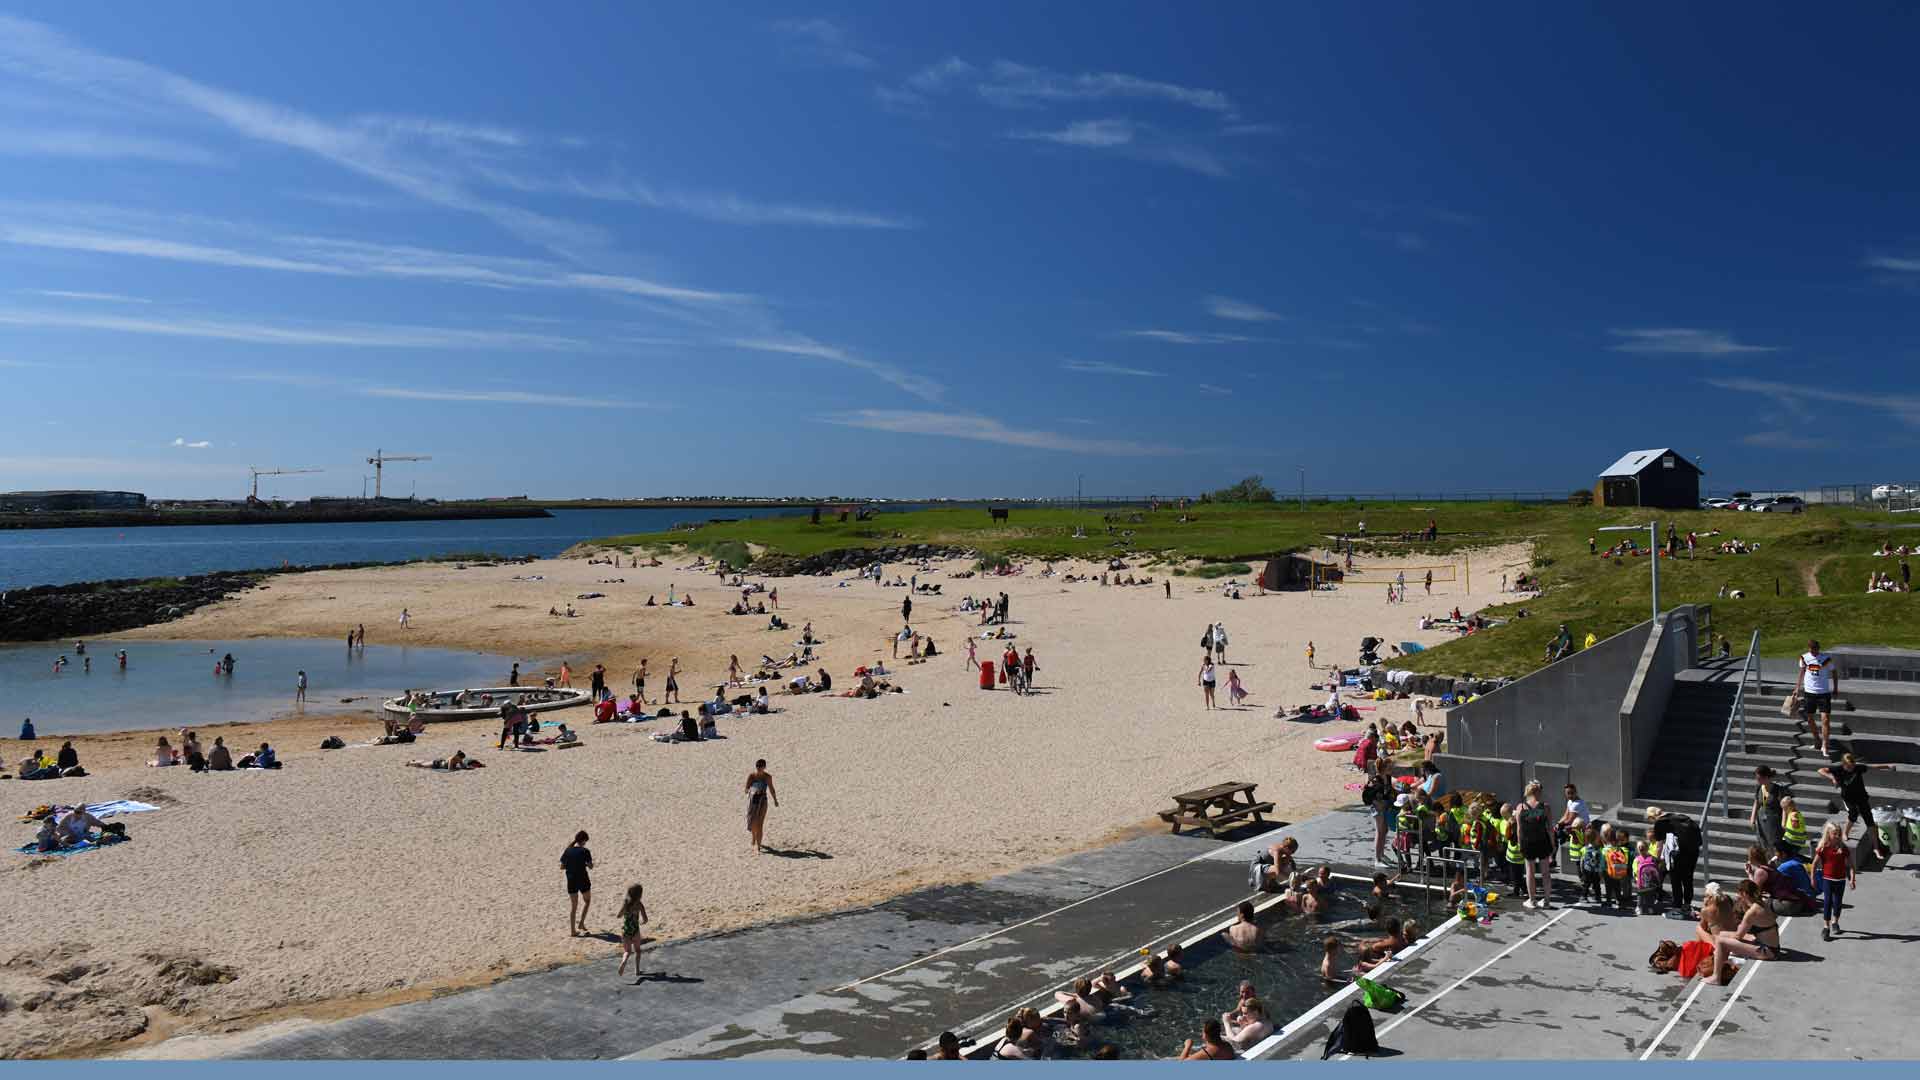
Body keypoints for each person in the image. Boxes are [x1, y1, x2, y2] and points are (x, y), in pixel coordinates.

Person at [1818, 753, 1896, 861]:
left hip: (1861, 797)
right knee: (1853, 814)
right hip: (1848, 798)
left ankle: (1876, 848)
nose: (1851, 769)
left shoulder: (1858, 768)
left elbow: (1873, 767)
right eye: (1849, 767)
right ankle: (1845, 833)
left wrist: (1888, 766)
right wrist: (1832, 778)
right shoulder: (1838, 769)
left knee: (1870, 821)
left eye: (1852, 766)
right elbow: (1820, 770)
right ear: (1844, 765)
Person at [1707, 880, 1780, 986]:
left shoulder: (1752, 912)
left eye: (1739, 893)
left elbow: (1738, 936)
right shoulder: (1762, 903)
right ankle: (1722, 965)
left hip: (1768, 952)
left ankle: (1716, 977)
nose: (1737, 895)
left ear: (1744, 894)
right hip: (1771, 947)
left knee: (1720, 940)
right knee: (1722, 934)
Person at [1647, 806, 1703, 913]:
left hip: (1679, 852)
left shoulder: (1659, 823)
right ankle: (1687, 903)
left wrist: (1656, 860)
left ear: (1651, 817)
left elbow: (1659, 845)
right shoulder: (1674, 816)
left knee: (1675, 878)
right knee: (1688, 877)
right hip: (1693, 850)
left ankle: (1677, 905)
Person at [1514, 781, 1555, 909]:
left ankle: (1532, 901)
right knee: (1545, 872)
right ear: (1537, 792)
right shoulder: (1545, 807)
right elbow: (1550, 828)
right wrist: (1552, 844)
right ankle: (1547, 901)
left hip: (1528, 843)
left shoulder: (1521, 807)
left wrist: (1520, 844)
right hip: (1543, 842)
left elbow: (1519, 829)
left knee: (1530, 872)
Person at [1814, 821, 1855, 941]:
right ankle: (1826, 927)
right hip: (1827, 879)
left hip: (1840, 880)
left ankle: (1835, 922)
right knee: (1827, 902)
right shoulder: (1823, 848)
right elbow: (1815, 863)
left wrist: (1852, 879)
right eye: (1834, 833)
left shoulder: (1843, 848)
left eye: (1839, 833)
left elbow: (1851, 865)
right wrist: (1812, 878)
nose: (1837, 836)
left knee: (1837, 902)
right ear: (1828, 834)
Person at [1797, 639, 1838, 757]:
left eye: (1816, 649)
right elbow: (1802, 672)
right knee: (1810, 718)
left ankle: (1825, 745)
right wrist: (1797, 688)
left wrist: (1835, 689)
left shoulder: (1826, 658)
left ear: (1819, 649)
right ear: (1809, 648)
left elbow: (1834, 672)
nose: (1814, 652)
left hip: (1823, 693)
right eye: (1812, 649)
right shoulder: (1804, 658)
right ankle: (1817, 740)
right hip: (1809, 693)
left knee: (1825, 720)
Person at [561, 831, 594, 936]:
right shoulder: (585, 851)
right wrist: (583, 864)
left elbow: (562, 867)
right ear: (584, 840)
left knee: (574, 906)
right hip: (583, 879)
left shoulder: (568, 850)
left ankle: (572, 931)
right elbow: (590, 866)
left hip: (571, 880)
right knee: (587, 901)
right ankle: (581, 923)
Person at [616, 883, 650, 978]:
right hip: (635, 931)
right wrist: (642, 922)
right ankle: (637, 970)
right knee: (638, 951)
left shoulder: (626, 903)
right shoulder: (639, 904)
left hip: (626, 931)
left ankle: (623, 962)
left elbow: (619, 915)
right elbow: (645, 919)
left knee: (627, 951)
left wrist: (622, 914)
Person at [1750, 765, 1784, 854]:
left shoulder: (1778, 789)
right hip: (1761, 820)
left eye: (1759, 778)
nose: (1757, 780)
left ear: (1766, 777)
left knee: (1775, 844)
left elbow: (1784, 807)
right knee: (1763, 844)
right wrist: (1752, 818)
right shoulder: (1759, 788)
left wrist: (1784, 822)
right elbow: (1756, 802)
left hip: (1774, 821)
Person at [746, 759, 778, 853]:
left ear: (764, 767)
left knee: (760, 824)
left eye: (761, 766)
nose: (759, 768)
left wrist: (775, 800)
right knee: (752, 822)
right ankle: (753, 837)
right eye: (757, 766)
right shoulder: (752, 776)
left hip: (763, 800)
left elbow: (772, 789)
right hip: (753, 800)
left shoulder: (767, 777)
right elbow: (746, 788)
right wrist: (751, 790)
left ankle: (758, 846)